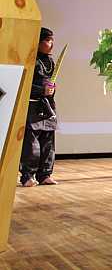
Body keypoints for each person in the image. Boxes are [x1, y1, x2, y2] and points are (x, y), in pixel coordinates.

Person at [19, 27, 59, 187]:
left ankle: (45, 174)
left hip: (47, 105)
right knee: (31, 143)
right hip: (32, 105)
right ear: (38, 42)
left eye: (52, 40)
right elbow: (25, 84)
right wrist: (41, 90)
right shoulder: (30, 60)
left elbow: (50, 84)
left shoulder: (50, 61)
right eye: (48, 40)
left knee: (48, 140)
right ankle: (28, 175)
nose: (51, 44)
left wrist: (51, 90)